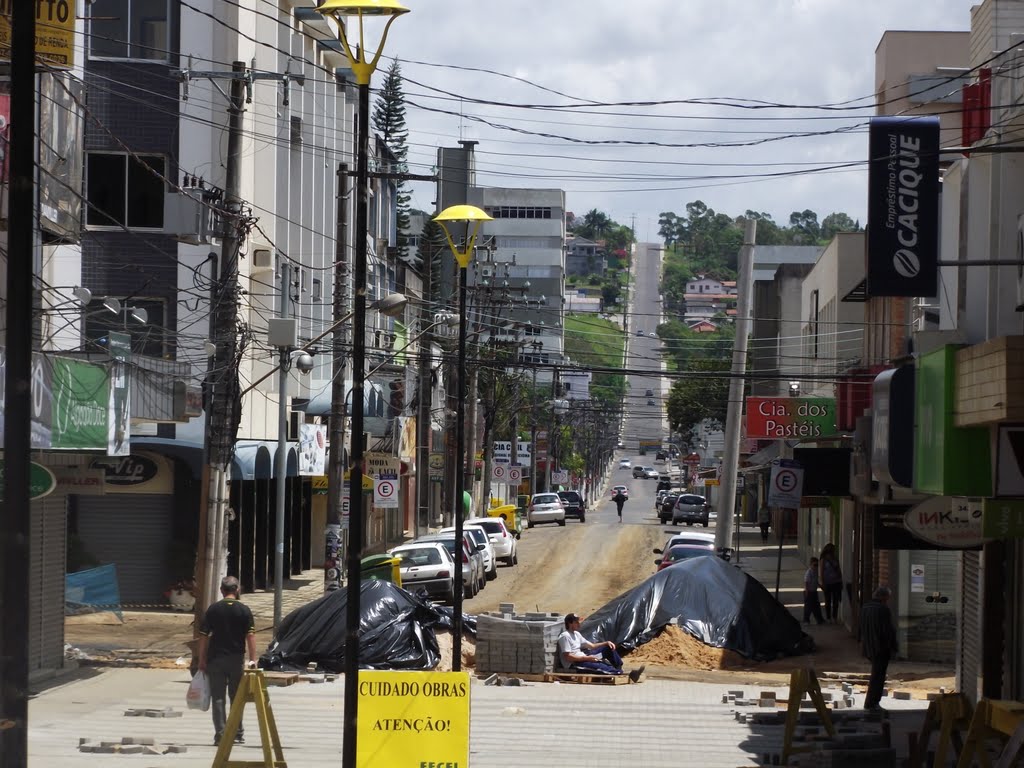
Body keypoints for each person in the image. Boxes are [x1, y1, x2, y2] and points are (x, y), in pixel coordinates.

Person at [198, 576, 258, 746]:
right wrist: (253, 659)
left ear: (221, 590)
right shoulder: (244, 610)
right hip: (236, 659)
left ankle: (221, 735)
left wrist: (202, 659)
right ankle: (237, 734)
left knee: (218, 697)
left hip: (215, 659)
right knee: (237, 697)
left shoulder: (213, 609)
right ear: (237, 589)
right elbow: (251, 636)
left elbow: (203, 637)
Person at [557, 613, 645, 682]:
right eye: (576, 622)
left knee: (608, 648)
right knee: (601, 666)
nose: (579, 624)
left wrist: (606, 643)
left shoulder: (577, 634)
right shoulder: (565, 636)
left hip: (584, 657)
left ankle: (619, 668)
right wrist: (587, 658)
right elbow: (568, 657)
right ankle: (621, 673)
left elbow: (592, 646)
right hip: (575, 663)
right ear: (569, 623)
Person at [860, 586, 898, 712]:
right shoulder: (883, 609)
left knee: (876, 674)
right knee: (878, 676)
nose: (888, 600)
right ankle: (872, 702)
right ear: (884, 597)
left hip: (869, 647)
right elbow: (887, 631)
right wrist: (894, 647)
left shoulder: (865, 607)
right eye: (887, 598)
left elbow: (862, 628)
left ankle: (871, 702)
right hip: (880, 648)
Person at [820, 544, 843, 623]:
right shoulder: (823, 560)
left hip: (836, 582)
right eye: (833, 550)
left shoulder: (835, 559)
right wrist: (823, 583)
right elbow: (822, 572)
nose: (834, 551)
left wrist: (840, 580)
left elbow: (839, 570)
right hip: (828, 583)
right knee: (828, 601)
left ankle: (834, 617)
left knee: (835, 601)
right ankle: (829, 617)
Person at [803, 557, 825, 625]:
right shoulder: (809, 572)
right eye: (814, 565)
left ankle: (819, 619)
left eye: (817, 565)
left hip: (814, 591)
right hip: (809, 591)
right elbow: (806, 582)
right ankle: (806, 620)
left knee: (816, 606)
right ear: (810, 564)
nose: (816, 567)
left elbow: (815, 581)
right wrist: (807, 591)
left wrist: (820, 586)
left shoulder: (815, 572)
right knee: (808, 607)